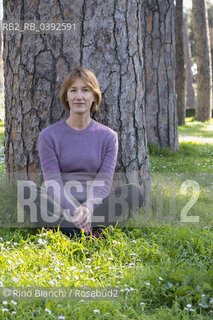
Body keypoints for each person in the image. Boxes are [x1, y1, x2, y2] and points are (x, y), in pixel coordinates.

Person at [32, 67, 144, 238]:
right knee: (27, 191)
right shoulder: (49, 136)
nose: (79, 96)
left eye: (85, 90)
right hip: (60, 207)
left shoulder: (108, 136)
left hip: (96, 207)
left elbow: (104, 182)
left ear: (94, 96)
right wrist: (76, 210)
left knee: (135, 193)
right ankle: (89, 232)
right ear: (66, 96)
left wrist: (87, 207)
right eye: (73, 90)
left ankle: (68, 231)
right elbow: (53, 182)